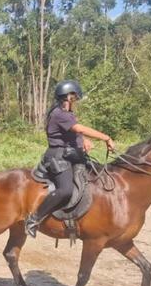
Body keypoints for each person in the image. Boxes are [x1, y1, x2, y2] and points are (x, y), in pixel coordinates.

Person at [24, 80, 115, 238]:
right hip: (58, 157)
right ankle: (34, 219)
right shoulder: (59, 113)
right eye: (75, 98)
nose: (76, 102)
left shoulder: (67, 114)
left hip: (71, 154)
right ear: (68, 98)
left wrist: (83, 140)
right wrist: (105, 137)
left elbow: (73, 132)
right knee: (65, 190)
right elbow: (77, 128)